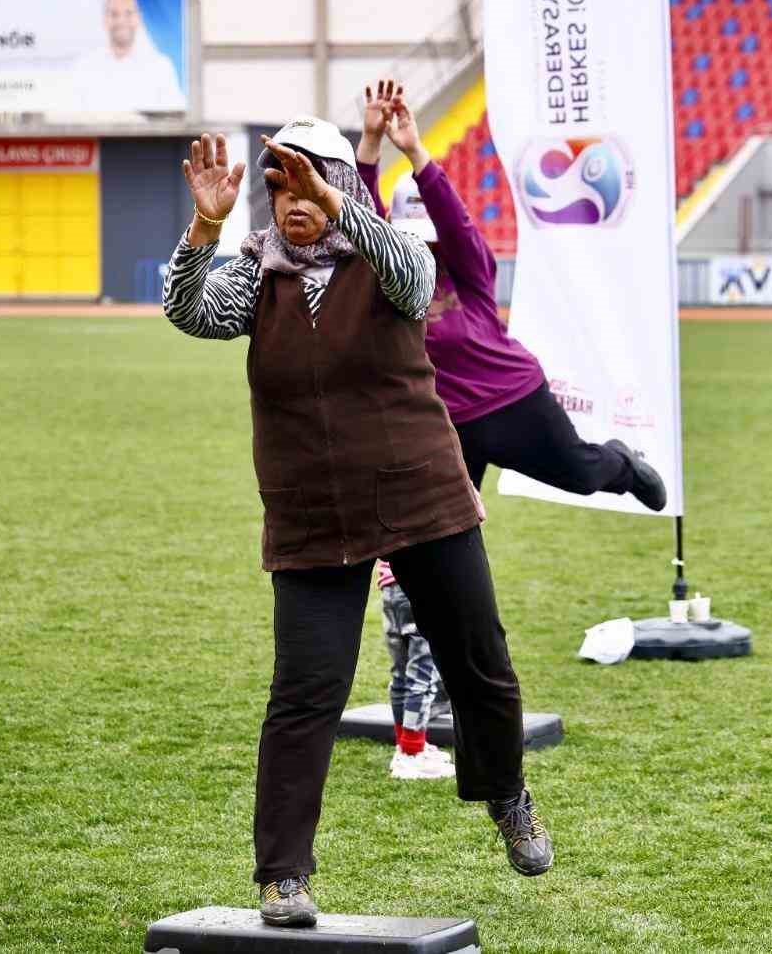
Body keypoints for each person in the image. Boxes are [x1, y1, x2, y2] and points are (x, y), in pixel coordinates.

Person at [162, 119, 553, 929]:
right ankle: (283, 877)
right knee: (304, 692)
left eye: (302, 181)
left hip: (419, 492)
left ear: (336, 183)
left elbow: (415, 275)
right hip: (312, 508)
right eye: (276, 185)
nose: (288, 199)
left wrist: (340, 203)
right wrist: (204, 226)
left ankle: (507, 792)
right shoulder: (256, 270)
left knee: (480, 663)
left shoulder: (389, 253)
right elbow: (190, 312)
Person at [354, 79, 669, 504]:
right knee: (440, 523)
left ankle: (622, 464)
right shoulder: (387, 273)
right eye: (409, 235)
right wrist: (370, 144)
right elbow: (361, 220)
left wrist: (414, 152)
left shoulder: (468, 267)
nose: (421, 244)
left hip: (511, 399)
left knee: (581, 474)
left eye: (428, 236)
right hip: (443, 421)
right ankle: (406, 572)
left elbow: (455, 222)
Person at [376, 558, 455, 779]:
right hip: (420, 586)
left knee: (401, 674)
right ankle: (412, 753)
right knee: (423, 673)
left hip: (390, 589)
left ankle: (405, 748)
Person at [76, 0, 184, 111]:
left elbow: (175, 118)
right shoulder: (85, 66)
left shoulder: (160, 66)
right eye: (114, 14)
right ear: (105, 20)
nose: (121, 21)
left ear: (138, 19)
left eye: (128, 13)